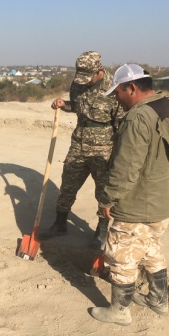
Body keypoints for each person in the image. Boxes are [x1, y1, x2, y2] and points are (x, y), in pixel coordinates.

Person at [90, 64, 169, 326]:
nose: (116, 98)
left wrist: (107, 200)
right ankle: (158, 301)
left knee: (121, 255)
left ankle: (119, 311)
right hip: (165, 200)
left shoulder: (138, 118)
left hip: (138, 203)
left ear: (132, 88)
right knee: (149, 248)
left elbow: (126, 167)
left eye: (118, 93)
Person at [38, 51, 121, 251]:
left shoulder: (115, 88)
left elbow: (121, 122)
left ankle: (101, 231)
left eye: (88, 78)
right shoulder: (78, 83)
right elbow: (78, 106)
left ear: (100, 71)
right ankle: (59, 224)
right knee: (68, 184)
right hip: (79, 142)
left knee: (103, 191)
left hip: (104, 148)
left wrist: (118, 153)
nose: (83, 83)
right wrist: (63, 105)